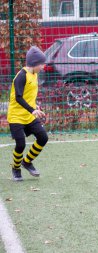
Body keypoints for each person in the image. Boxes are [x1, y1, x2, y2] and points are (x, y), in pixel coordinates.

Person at [7, 46, 49, 181]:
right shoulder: (21, 76)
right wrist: (33, 110)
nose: (43, 67)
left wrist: (35, 105)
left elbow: (28, 95)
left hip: (29, 115)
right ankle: (16, 168)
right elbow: (18, 97)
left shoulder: (34, 74)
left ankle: (27, 162)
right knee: (21, 145)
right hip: (16, 116)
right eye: (41, 64)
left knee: (43, 138)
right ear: (34, 63)